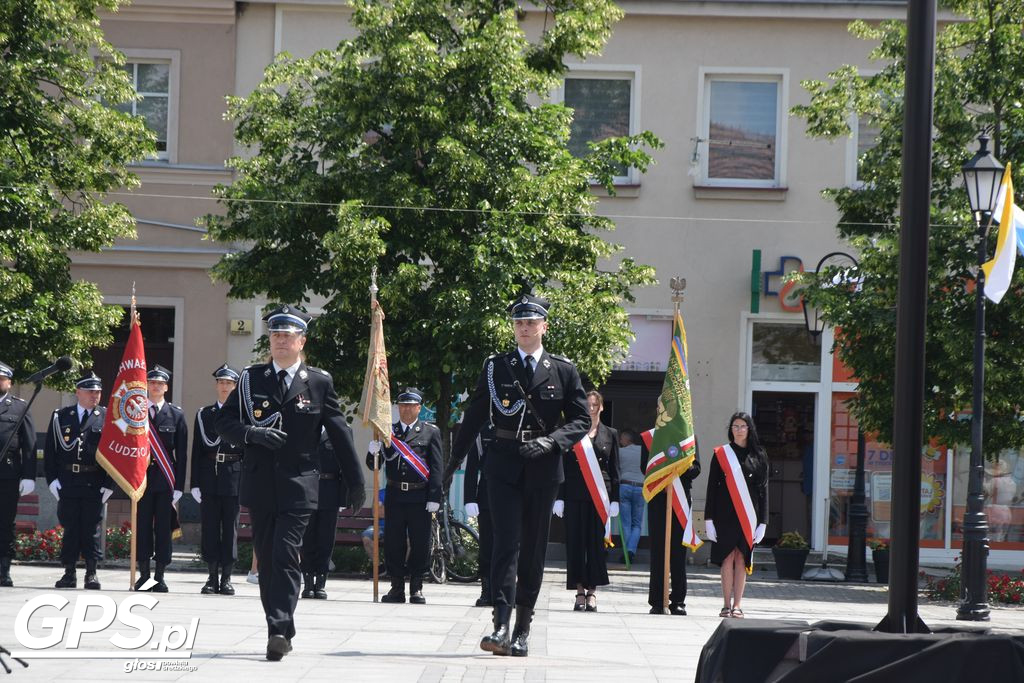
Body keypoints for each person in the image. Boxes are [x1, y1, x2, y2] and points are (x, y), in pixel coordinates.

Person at [216, 305, 365, 661]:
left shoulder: (317, 382)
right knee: (267, 559)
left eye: (287, 335)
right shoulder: (251, 379)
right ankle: (280, 625)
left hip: (300, 484)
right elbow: (224, 423)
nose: (280, 341)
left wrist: (355, 481)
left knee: (285, 553)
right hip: (260, 484)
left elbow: (340, 432)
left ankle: (278, 629)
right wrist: (252, 433)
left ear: (302, 340)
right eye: (275, 334)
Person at [451, 290, 589, 658]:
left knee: (531, 550)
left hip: (543, 468)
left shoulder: (563, 369)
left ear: (544, 326)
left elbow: (581, 419)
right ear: (513, 328)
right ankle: (499, 623)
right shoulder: (496, 367)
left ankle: (522, 630)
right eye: (519, 323)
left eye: (531, 322)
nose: (525, 328)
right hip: (503, 465)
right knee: (504, 545)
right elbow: (475, 415)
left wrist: (553, 443)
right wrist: (451, 465)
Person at [366, 388, 443, 604]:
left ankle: (416, 587)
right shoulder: (387, 432)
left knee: (420, 542)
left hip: (420, 496)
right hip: (396, 495)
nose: (406, 409)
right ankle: (396, 587)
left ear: (419, 407)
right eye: (402, 405)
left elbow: (437, 467)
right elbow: (374, 466)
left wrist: (435, 496)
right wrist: (373, 451)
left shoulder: (430, 432)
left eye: (410, 405)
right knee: (394, 543)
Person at [44, 372, 113, 590]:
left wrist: (109, 484)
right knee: (71, 527)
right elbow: (50, 452)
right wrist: (52, 480)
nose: (95, 395)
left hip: (94, 481)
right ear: (78, 392)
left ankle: (91, 573)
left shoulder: (106, 417)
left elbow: (113, 453)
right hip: (68, 480)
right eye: (91, 391)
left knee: (91, 529)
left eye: (98, 391)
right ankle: (69, 572)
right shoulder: (61, 416)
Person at [555, 390, 619, 612]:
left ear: (601, 407)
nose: (591, 409)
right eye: (588, 405)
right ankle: (579, 591)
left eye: (595, 405)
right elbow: (562, 467)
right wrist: (559, 497)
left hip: (600, 497)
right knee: (575, 544)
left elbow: (614, 469)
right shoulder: (573, 433)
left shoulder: (611, 434)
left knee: (595, 546)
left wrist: (615, 500)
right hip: (574, 495)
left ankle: (592, 591)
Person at [704, 411, 769, 619]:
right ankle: (725, 604)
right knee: (727, 557)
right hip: (724, 514)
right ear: (730, 430)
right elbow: (711, 488)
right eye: (735, 426)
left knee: (742, 558)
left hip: (749, 516)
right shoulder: (721, 454)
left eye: (742, 426)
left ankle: (738, 605)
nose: (739, 430)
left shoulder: (759, 455)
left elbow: (764, 490)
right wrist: (708, 519)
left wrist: (764, 522)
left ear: (749, 429)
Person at [190, 363, 243, 596]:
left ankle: (227, 578)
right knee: (210, 528)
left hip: (234, 477)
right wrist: (194, 484)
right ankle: (211, 576)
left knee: (230, 529)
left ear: (235, 387)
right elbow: (197, 451)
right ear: (216, 386)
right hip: (209, 476)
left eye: (229, 383)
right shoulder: (204, 415)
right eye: (221, 383)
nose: (225, 387)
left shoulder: (242, 415)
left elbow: (247, 452)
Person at [136, 365, 188, 592]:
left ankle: (160, 575)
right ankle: (144, 575)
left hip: (165, 480)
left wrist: (179, 486)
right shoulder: (136, 412)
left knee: (164, 530)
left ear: (166, 387)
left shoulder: (176, 415)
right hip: (141, 480)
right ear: (147, 385)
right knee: (143, 528)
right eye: (152, 383)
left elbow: (183, 454)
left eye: (160, 383)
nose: (156, 386)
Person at [644, 438, 701, 615]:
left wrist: (680, 467)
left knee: (678, 551)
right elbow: (644, 468)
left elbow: (696, 469)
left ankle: (678, 600)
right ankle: (657, 600)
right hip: (659, 498)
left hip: (681, 499)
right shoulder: (651, 436)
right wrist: (664, 470)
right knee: (658, 550)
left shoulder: (688, 437)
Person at [0, 361, 36, 588]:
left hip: (8, 475)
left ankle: (4, 570)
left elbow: (29, 445)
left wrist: (29, 476)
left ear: (9, 382)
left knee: (4, 524)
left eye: (2, 379)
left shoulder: (20, 407)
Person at [300, 429, 345, 600]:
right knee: (307, 538)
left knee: (325, 539)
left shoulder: (341, 430)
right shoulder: (304, 426)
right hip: (306, 489)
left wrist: (343, 498)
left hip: (330, 490)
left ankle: (321, 582)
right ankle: (308, 581)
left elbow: (345, 464)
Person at [463, 423, 496, 606]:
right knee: (487, 546)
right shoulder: (483, 431)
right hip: (487, 493)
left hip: (512, 495)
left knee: (511, 546)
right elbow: (472, 465)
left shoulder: (519, 426)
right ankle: (487, 589)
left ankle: (505, 589)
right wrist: (470, 497)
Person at [617, 429, 645, 564]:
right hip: (640, 487)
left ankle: (626, 553)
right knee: (637, 524)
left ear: (626, 439)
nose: (620, 441)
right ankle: (631, 551)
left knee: (626, 523)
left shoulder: (620, 452)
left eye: (621, 438)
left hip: (625, 486)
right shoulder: (643, 451)